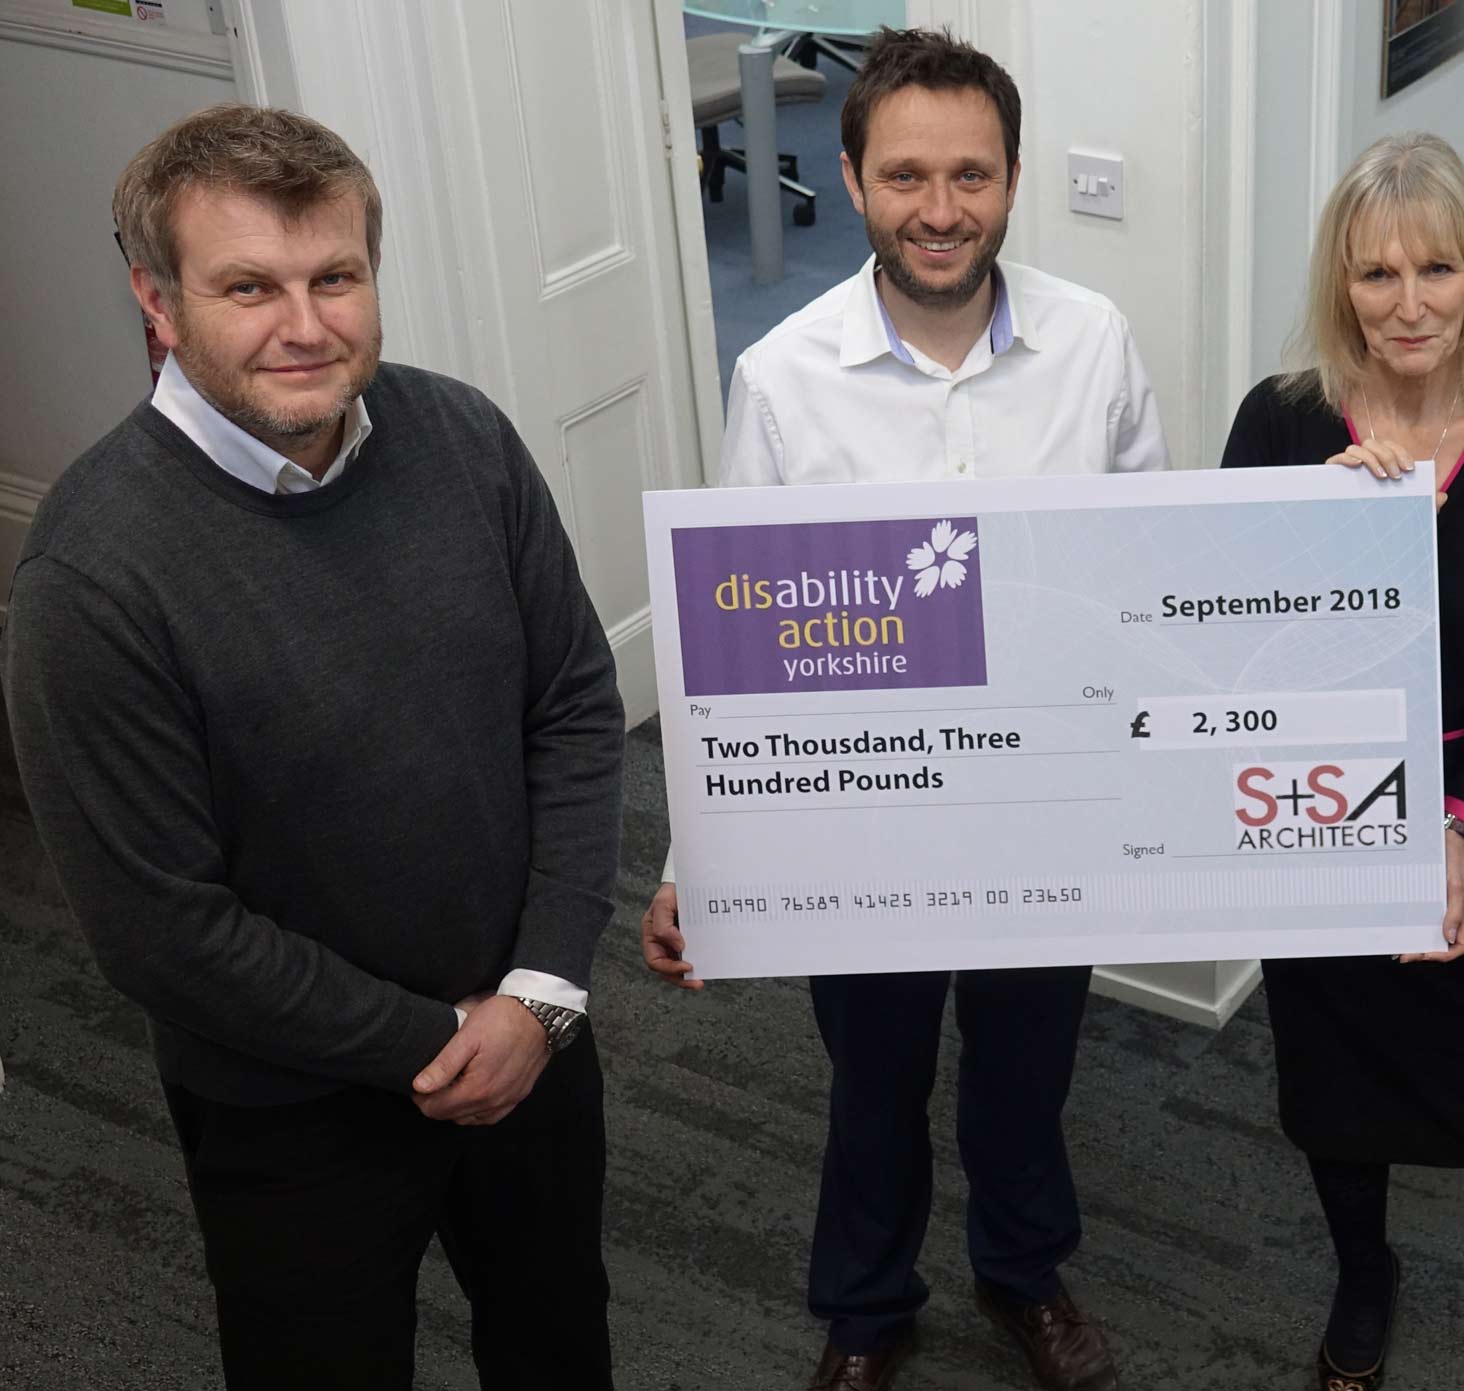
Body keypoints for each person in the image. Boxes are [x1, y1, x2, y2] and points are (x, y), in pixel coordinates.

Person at [2, 105, 625, 1389]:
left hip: (533, 1033)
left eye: (334, 276)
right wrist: (429, 1036)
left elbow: (569, 703)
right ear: (157, 301)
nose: (305, 324)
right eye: (248, 286)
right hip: (293, 1110)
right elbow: (160, 926)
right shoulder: (93, 577)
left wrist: (541, 990)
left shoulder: (465, 440)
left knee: (557, 1333)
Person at [642, 26, 1165, 1391]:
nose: (943, 210)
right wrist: (695, 853)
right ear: (856, 179)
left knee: (1024, 1074)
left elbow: (1150, 572)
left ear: (1011, 179)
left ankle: (1022, 1273)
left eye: (973, 176)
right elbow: (731, 643)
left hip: (1042, 799)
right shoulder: (783, 377)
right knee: (872, 1081)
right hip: (859, 806)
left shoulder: (1094, 343)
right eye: (908, 176)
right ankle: (867, 1307)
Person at [1218, 131, 1464, 1390]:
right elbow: (1219, 639)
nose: (1408, 302)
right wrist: (1318, 535)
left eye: (1435, 268)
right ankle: (1362, 1272)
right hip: (1314, 813)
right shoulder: (1276, 425)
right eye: (1375, 275)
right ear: (1340, 284)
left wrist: (1443, 816)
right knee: (1332, 1084)